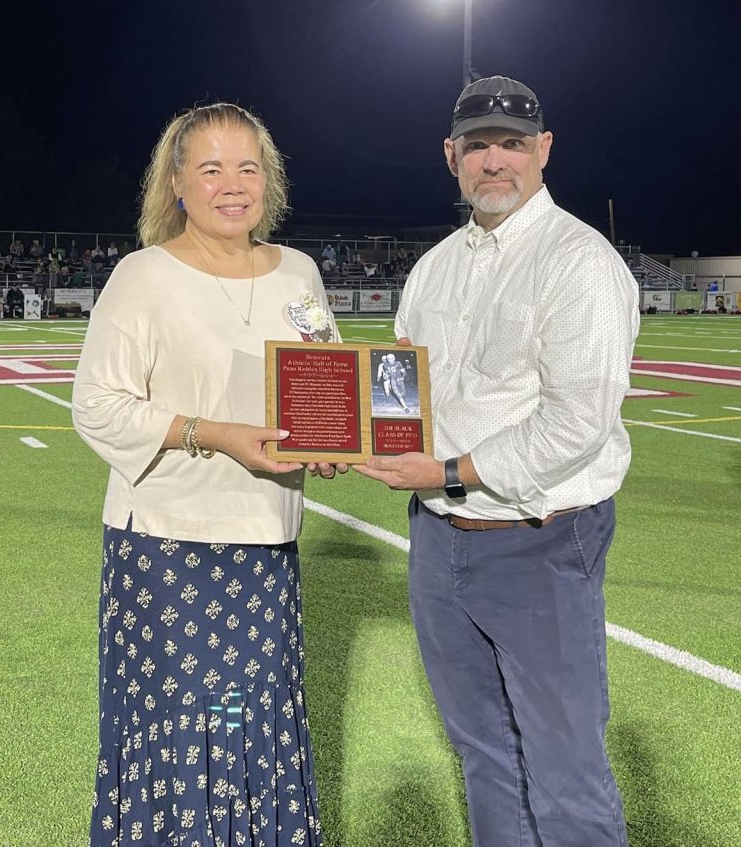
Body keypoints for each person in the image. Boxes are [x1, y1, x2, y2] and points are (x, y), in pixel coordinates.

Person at [356, 75, 639, 847]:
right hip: (440, 539)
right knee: (482, 755)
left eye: (511, 144)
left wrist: (447, 473)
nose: (494, 162)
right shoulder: (434, 268)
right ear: (451, 157)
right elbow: (402, 395)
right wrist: (343, 434)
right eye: (477, 146)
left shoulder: (578, 259)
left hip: (540, 538)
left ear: (543, 150)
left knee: (564, 766)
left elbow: (577, 421)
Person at [73, 102, 342, 847]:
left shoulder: (300, 272)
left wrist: (335, 440)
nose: (233, 185)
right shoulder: (144, 275)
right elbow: (96, 406)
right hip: (167, 550)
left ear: (269, 181)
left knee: (246, 722)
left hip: (266, 546)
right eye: (212, 168)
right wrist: (211, 434)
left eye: (248, 167)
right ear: (177, 183)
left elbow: (323, 386)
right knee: (187, 728)